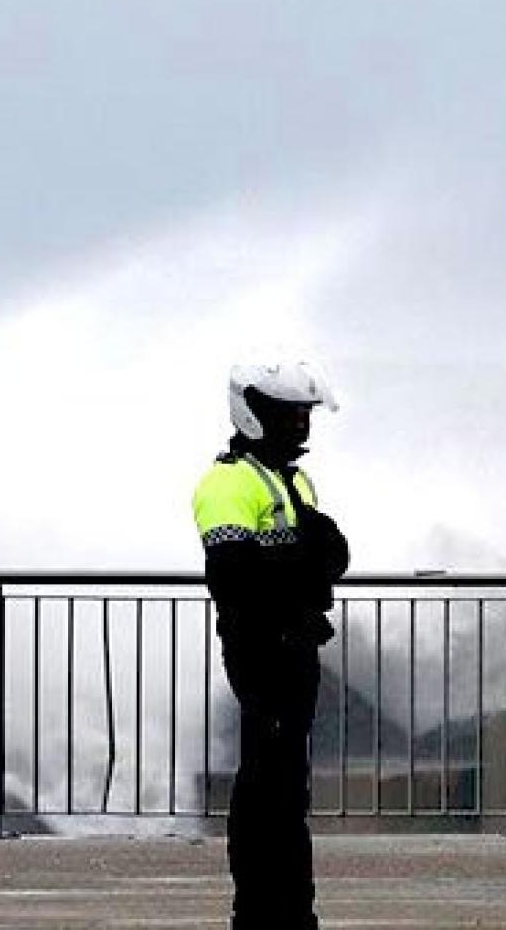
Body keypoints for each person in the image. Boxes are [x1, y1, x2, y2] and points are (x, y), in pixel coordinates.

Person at [191, 362, 348, 929]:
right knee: (264, 785)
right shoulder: (227, 482)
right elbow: (233, 576)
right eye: (289, 414)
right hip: (260, 649)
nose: (301, 425)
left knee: (287, 786)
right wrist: (302, 566)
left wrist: (300, 566)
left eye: (305, 414)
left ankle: (293, 910)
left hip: (297, 645)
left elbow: (332, 557)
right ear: (253, 412)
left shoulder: (294, 479)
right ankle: (256, 912)